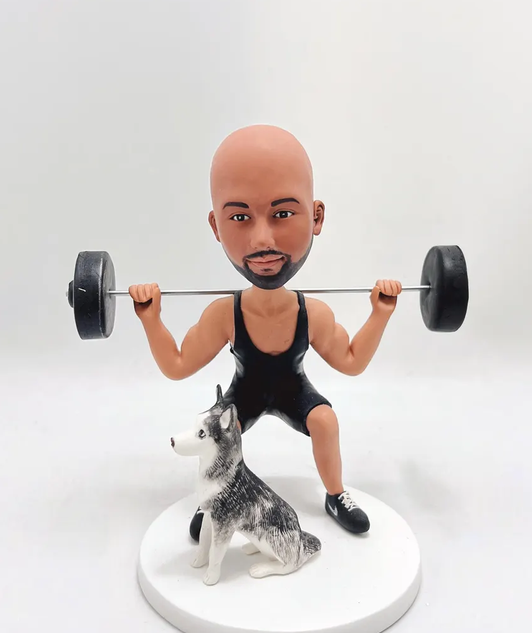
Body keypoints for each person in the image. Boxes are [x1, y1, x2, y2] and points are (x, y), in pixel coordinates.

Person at [129, 124, 402, 536]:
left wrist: (380, 314)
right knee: (218, 431)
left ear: (316, 217)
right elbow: (177, 365)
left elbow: (351, 362)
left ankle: (335, 495)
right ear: (216, 226)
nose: (261, 240)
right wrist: (151, 319)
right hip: (247, 393)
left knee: (325, 421)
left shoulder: (313, 314)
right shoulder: (225, 314)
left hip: (294, 391)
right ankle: (215, 500)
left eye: (282, 214)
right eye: (240, 217)